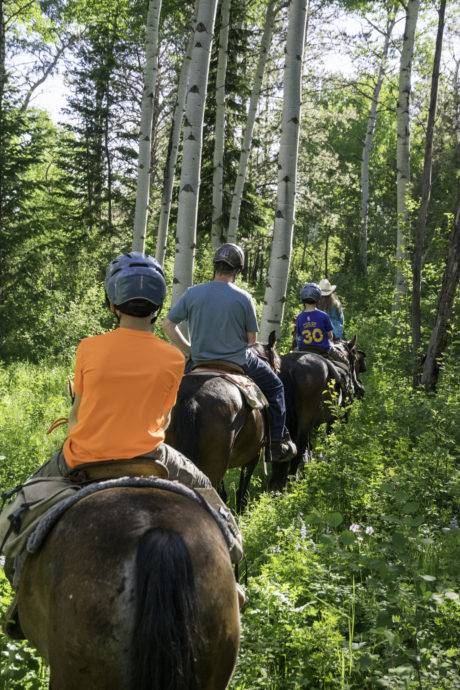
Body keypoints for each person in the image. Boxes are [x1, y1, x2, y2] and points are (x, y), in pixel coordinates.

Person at [2, 252, 244, 638]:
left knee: (19, 509)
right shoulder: (173, 357)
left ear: (111, 303)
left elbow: (78, 413)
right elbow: (163, 421)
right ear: (157, 305)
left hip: (81, 457)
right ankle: (232, 579)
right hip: (150, 456)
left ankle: (18, 595)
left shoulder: (89, 347)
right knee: (213, 502)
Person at [162, 243, 296, 464]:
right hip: (239, 361)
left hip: (199, 362)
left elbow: (168, 325)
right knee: (276, 387)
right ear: (238, 270)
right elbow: (252, 340)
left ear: (215, 266)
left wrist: (189, 349)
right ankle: (275, 444)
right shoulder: (244, 298)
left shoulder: (192, 293)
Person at [295, 282, 348, 368]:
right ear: (317, 298)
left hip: (303, 348)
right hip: (322, 348)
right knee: (345, 362)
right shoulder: (324, 315)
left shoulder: (300, 317)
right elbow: (330, 335)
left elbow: (298, 336)